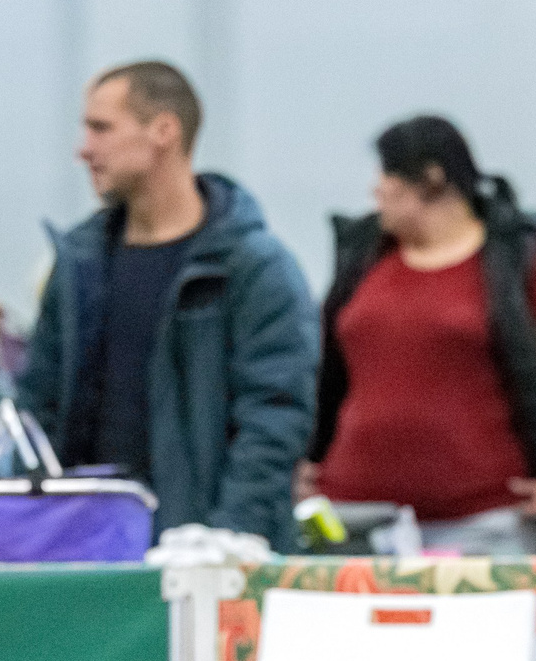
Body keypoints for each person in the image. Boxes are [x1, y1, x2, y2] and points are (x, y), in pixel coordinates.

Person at [18, 61, 315, 549]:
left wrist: (228, 541)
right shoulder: (78, 266)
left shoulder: (252, 267)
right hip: (83, 553)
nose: (83, 148)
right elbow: (38, 410)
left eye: (101, 128)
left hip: (204, 557)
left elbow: (274, 422)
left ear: (164, 131)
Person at [302, 116, 536, 556]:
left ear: (432, 180)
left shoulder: (517, 256)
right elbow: (323, 368)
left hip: (482, 525)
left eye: (387, 174)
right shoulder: (363, 256)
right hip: (353, 518)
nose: (375, 189)